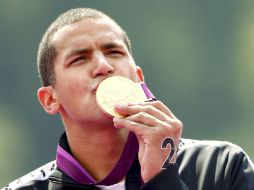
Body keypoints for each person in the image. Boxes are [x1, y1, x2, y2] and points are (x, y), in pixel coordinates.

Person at [3, 8, 254, 190]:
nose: (103, 66)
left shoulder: (221, 168)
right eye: (79, 59)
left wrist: (162, 178)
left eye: (114, 52)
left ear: (138, 78)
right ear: (49, 99)